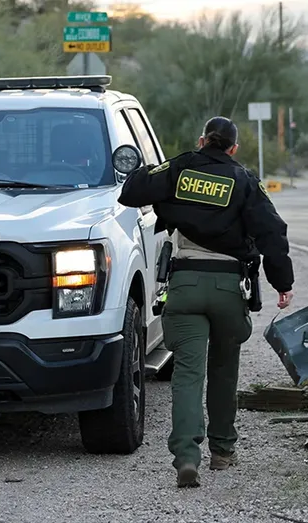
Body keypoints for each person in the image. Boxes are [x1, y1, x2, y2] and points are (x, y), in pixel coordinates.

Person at [118, 116, 294, 489]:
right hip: (229, 289)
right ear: (233, 148)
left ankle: (185, 456)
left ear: (202, 141)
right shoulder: (244, 179)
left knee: (187, 373)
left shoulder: (181, 167)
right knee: (224, 369)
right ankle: (222, 451)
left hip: (184, 284)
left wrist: (149, 172)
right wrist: (283, 283)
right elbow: (272, 232)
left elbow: (131, 191)